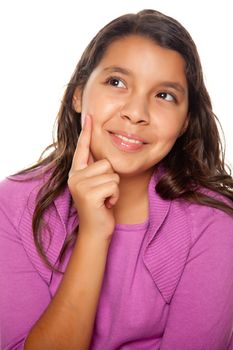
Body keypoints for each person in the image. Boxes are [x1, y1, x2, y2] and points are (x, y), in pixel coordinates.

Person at [0, 8, 233, 350]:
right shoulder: (12, 205)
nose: (136, 113)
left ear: (185, 122)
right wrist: (94, 234)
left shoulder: (214, 222)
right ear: (78, 93)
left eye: (164, 95)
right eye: (117, 82)